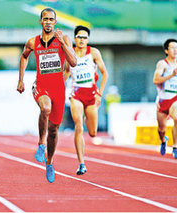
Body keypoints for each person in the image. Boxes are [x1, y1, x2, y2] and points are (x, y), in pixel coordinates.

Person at [17, 8, 77, 183]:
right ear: (40, 21)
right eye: (45, 19)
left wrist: (62, 43)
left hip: (58, 88)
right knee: (45, 108)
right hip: (41, 85)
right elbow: (23, 57)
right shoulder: (32, 42)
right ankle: (40, 143)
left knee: (54, 130)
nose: (48, 22)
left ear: (55, 22)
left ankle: (49, 161)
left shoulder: (64, 39)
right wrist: (21, 80)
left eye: (51, 19)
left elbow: (73, 62)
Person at [64, 25, 108, 175]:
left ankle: (89, 122)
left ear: (88, 39)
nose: (82, 40)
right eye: (79, 37)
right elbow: (65, 74)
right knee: (78, 126)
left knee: (93, 132)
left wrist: (99, 94)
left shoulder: (94, 53)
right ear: (75, 38)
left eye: (85, 38)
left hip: (91, 95)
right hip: (76, 94)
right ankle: (81, 163)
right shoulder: (69, 54)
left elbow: (105, 74)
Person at [153, 38, 177, 159]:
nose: (175, 50)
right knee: (161, 129)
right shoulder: (162, 64)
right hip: (162, 100)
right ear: (166, 50)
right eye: (172, 48)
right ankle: (163, 140)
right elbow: (155, 80)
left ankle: (175, 147)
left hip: (175, 97)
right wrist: (171, 75)